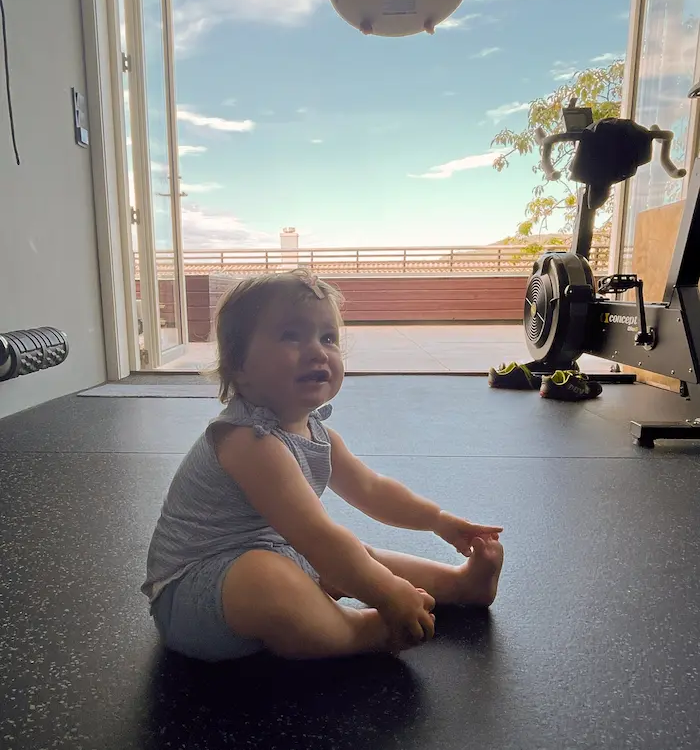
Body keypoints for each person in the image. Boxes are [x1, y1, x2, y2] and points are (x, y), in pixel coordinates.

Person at [143, 269, 504, 662]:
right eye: (291, 336)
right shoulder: (247, 441)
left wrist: (439, 521)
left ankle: (459, 584)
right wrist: (387, 594)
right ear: (238, 365)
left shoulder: (318, 433)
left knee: (356, 556)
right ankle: (363, 630)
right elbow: (317, 536)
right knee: (288, 570)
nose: (317, 351)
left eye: (328, 338)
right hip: (196, 600)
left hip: (276, 554)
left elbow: (373, 490)